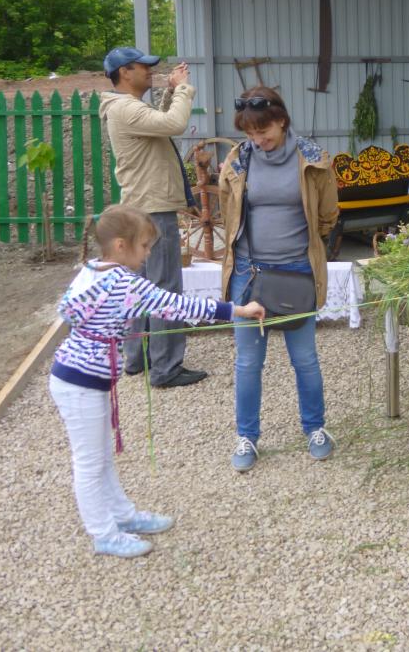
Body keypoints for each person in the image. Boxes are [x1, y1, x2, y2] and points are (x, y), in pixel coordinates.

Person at [51, 205, 265, 558]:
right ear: (121, 245)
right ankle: (103, 534)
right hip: (80, 382)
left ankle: (122, 516)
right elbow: (175, 306)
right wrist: (237, 310)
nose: (149, 254)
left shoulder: (93, 270)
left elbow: (68, 310)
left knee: (102, 455)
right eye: (145, 246)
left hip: (84, 379)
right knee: (90, 463)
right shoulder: (121, 283)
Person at [218, 86, 341, 472]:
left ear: (282, 121)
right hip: (247, 274)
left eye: (264, 132)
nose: (258, 140)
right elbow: (229, 213)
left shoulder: (314, 160)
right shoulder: (238, 160)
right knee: (248, 362)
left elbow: (328, 215)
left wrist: (303, 250)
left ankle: (316, 428)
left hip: (297, 273)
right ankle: (247, 437)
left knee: (304, 358)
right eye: (250, 133)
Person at [101, 47, 205, 388]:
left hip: (138, 205)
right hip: (154, 210)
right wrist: (184, 89)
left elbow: (157, 128)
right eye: (143, 67)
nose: (150, 71)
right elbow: (174, 124)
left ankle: (137, 359)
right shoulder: (125, 108)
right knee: (165, 287)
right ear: (124, 72)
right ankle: (166, 369)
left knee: (140, 287)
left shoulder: (124, 108)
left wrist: (170, 93)